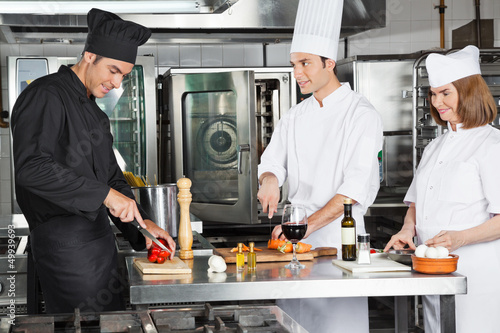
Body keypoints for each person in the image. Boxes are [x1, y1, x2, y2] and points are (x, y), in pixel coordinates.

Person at [11, 8, 176, 314]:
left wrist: (144, 225)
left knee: (111, 322)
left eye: (124, 75)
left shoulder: (96, 114)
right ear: (89, 56)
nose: (117, 83)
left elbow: (112, 180)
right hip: (65, 250)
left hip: (100, 248)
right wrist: (105, 196)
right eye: (113, 70)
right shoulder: (46, 95)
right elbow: (31, 168)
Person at [257, 0, 383, 331]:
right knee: (294, 324)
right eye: (294, 63)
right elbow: (272, 160)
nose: (297, 72)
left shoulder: (362, 115)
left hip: (337, 241)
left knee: (337, 326)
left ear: (330, 63)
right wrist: (270, 180)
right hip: (296, 242)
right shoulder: (296, 115)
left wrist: (304, 227)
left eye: (305, 63)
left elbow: (352, 191)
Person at [383, 45, 500, 333]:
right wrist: (407, 230)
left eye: (446, 93)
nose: (437, 102)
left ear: (470, 91)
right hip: (434, 271)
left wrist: (461, 238)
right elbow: (416, 204)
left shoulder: (491, 146)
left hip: (477, 275)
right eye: (433, 94)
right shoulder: (435, 146)